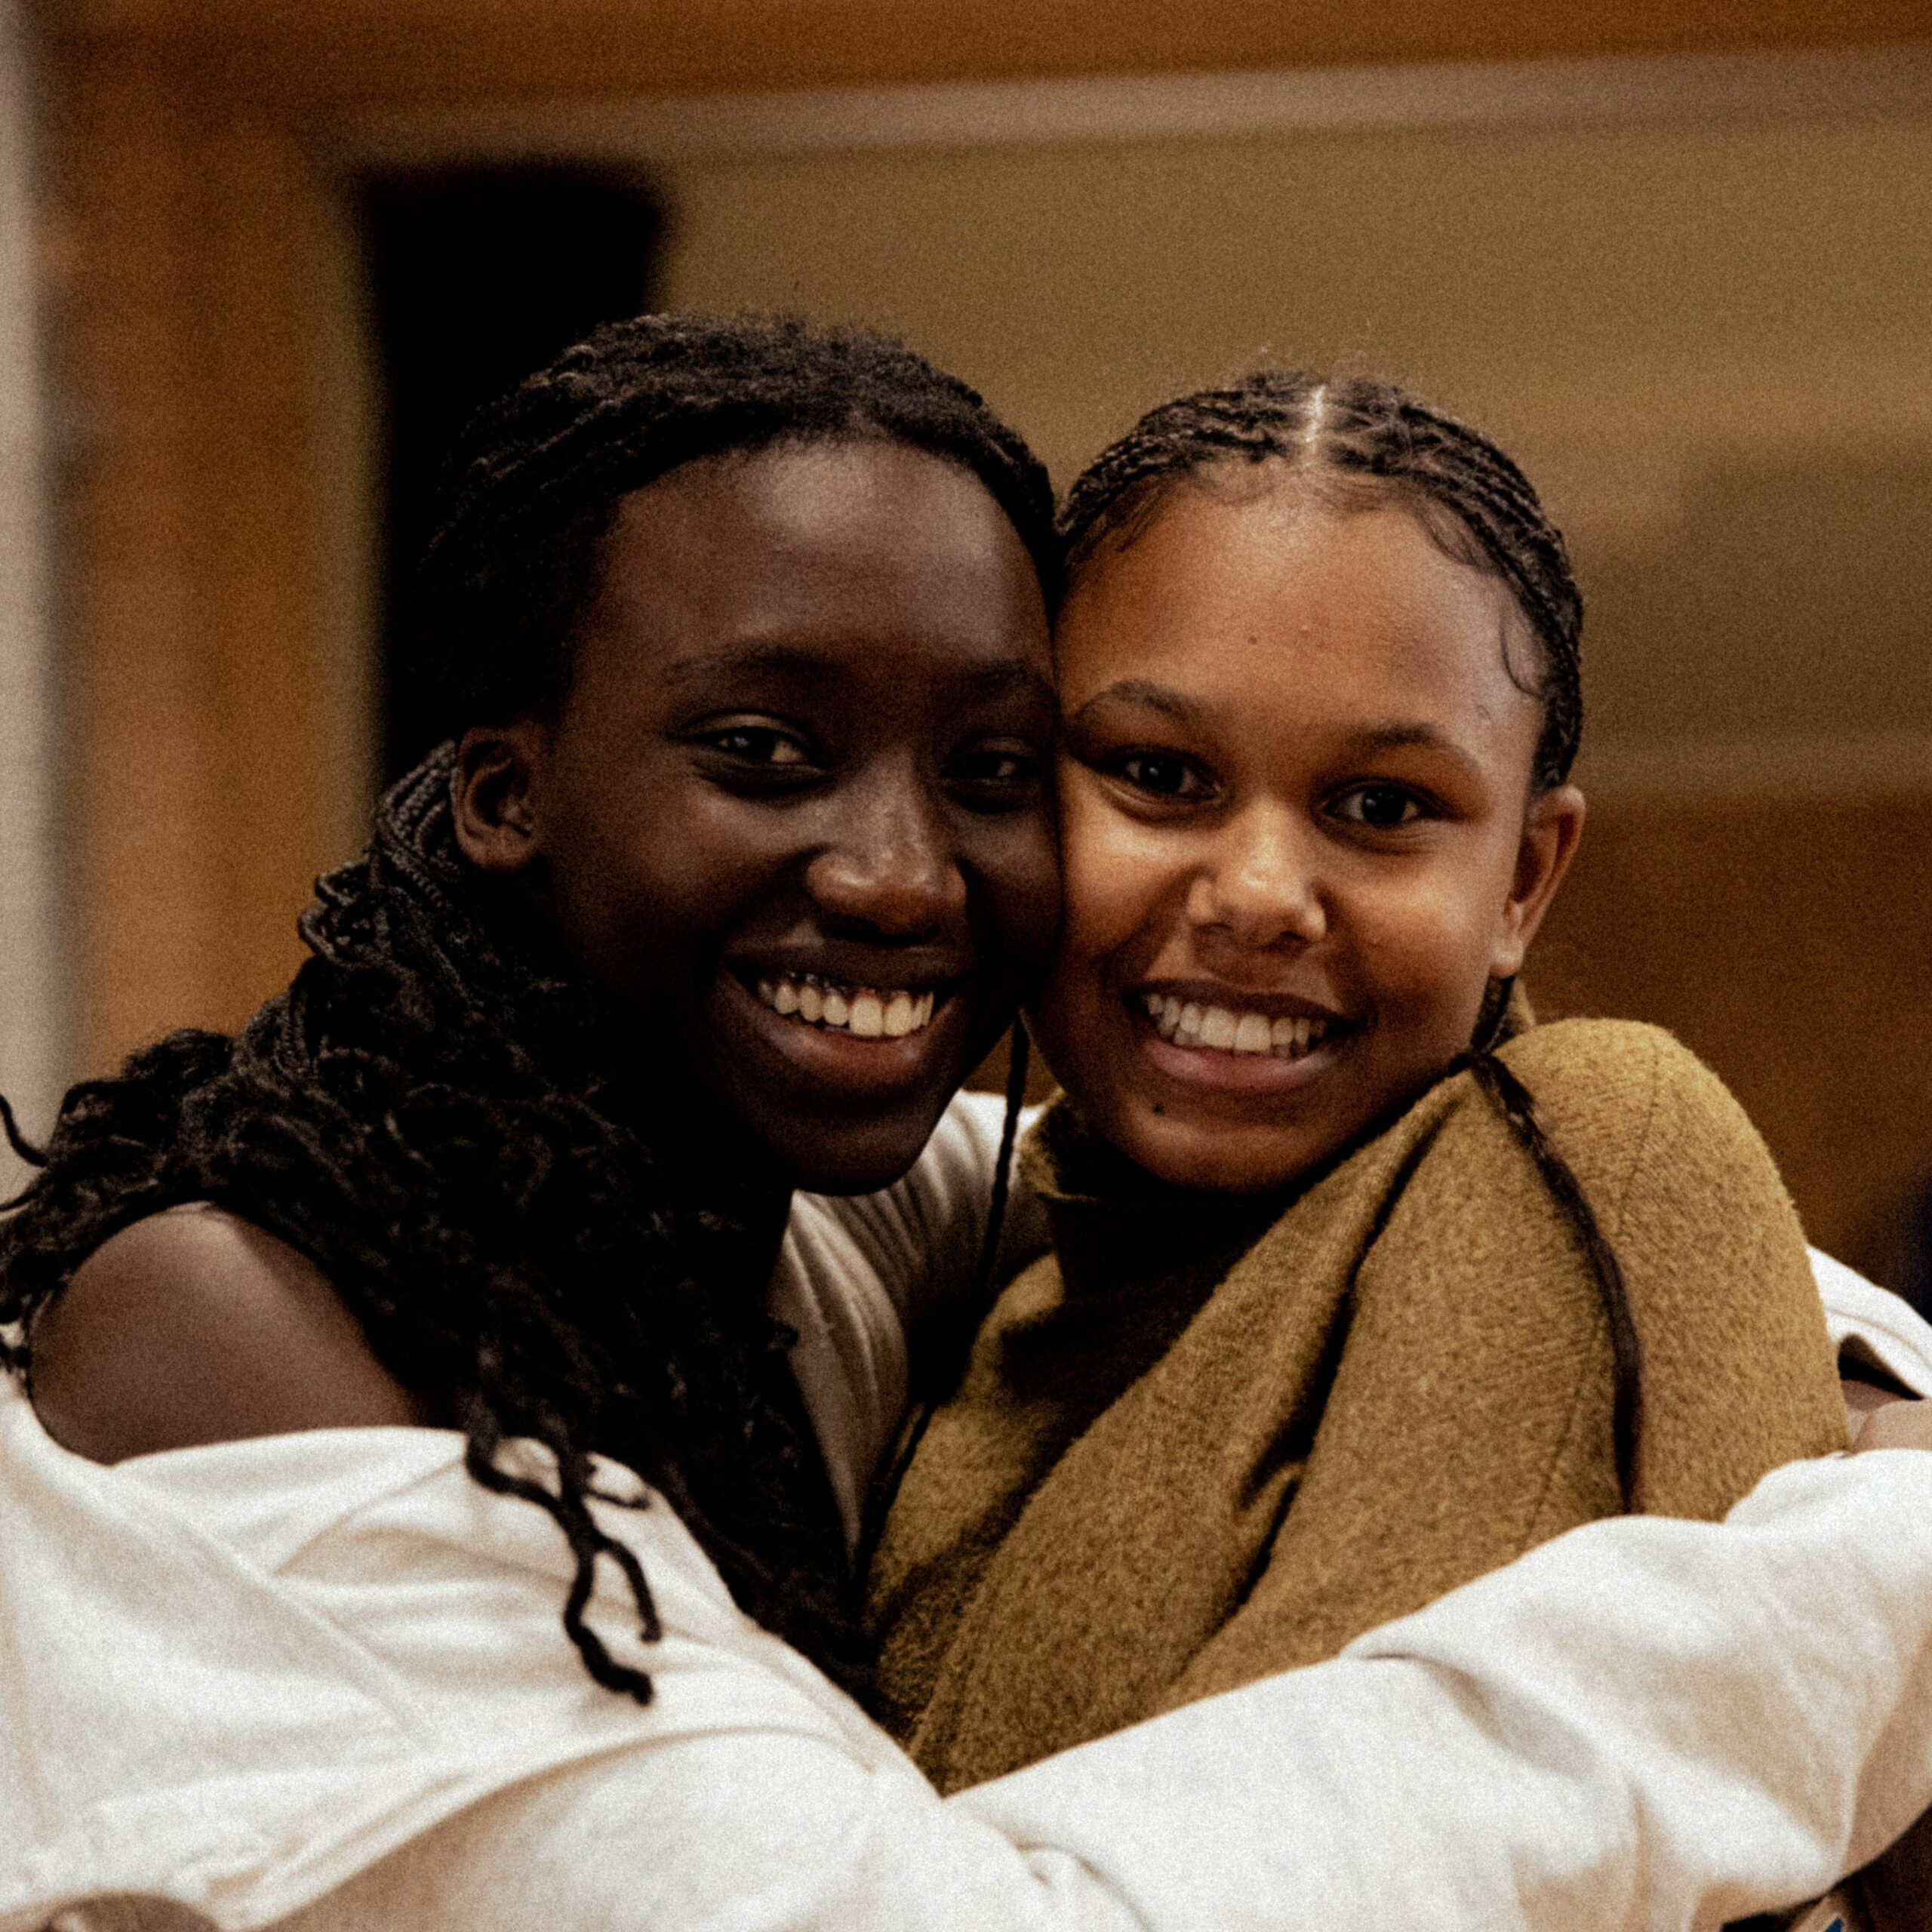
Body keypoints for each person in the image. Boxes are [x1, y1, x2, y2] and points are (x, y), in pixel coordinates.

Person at [5, 316, 1932, 1932]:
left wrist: (1831, 1376)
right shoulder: (241, 1312)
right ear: (504, 788)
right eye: (763, 751)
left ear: (1531, 872)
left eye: (992, 770)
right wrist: (1858, 1590)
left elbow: (1476, 1182)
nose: (899, 875)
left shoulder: (780, 1222)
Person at [863, 372, 1869, 1797]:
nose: (1264, 895)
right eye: (1158, 772)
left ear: (1522, 879)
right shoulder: (981, 1292)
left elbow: (1302, 1851)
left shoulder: (1591, 1143)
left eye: (1382, 807)